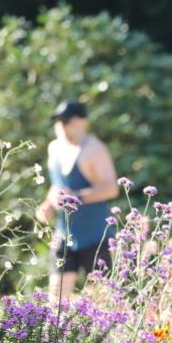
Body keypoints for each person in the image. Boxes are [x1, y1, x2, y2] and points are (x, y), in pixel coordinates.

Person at [36, 99, 120, 299]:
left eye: (67, 122)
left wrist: (76, 197)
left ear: (83, 122)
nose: (62, 127)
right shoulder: (54, 148)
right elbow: (57, 186)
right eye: (58, 122)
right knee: (56, 297)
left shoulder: (94, 149)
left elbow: (111, 188)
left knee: (101, 300)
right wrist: (48, 205)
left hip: (94, 235)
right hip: (64, 234)